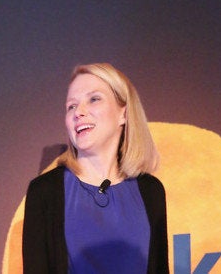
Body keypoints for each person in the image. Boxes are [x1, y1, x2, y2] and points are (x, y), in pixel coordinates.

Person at [22, 63, 168, 273]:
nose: (78, 112)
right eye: (71, 106)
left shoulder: (150, 191)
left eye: (94, 99)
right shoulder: (45, 191)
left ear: (123, 114)